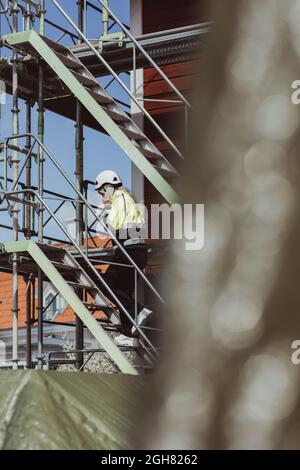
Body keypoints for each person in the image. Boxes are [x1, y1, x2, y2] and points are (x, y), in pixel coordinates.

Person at [95, 170, 152, 347]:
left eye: (102, 191)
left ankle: (139, 311)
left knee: (107, 284)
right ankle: (130, 334)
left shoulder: (119, 199)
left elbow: (113, 227)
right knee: (123, 291)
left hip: (128, 249)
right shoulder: (129, 198)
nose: (102, 195)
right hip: (138, 249)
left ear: (108, 187)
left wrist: (105, 213)